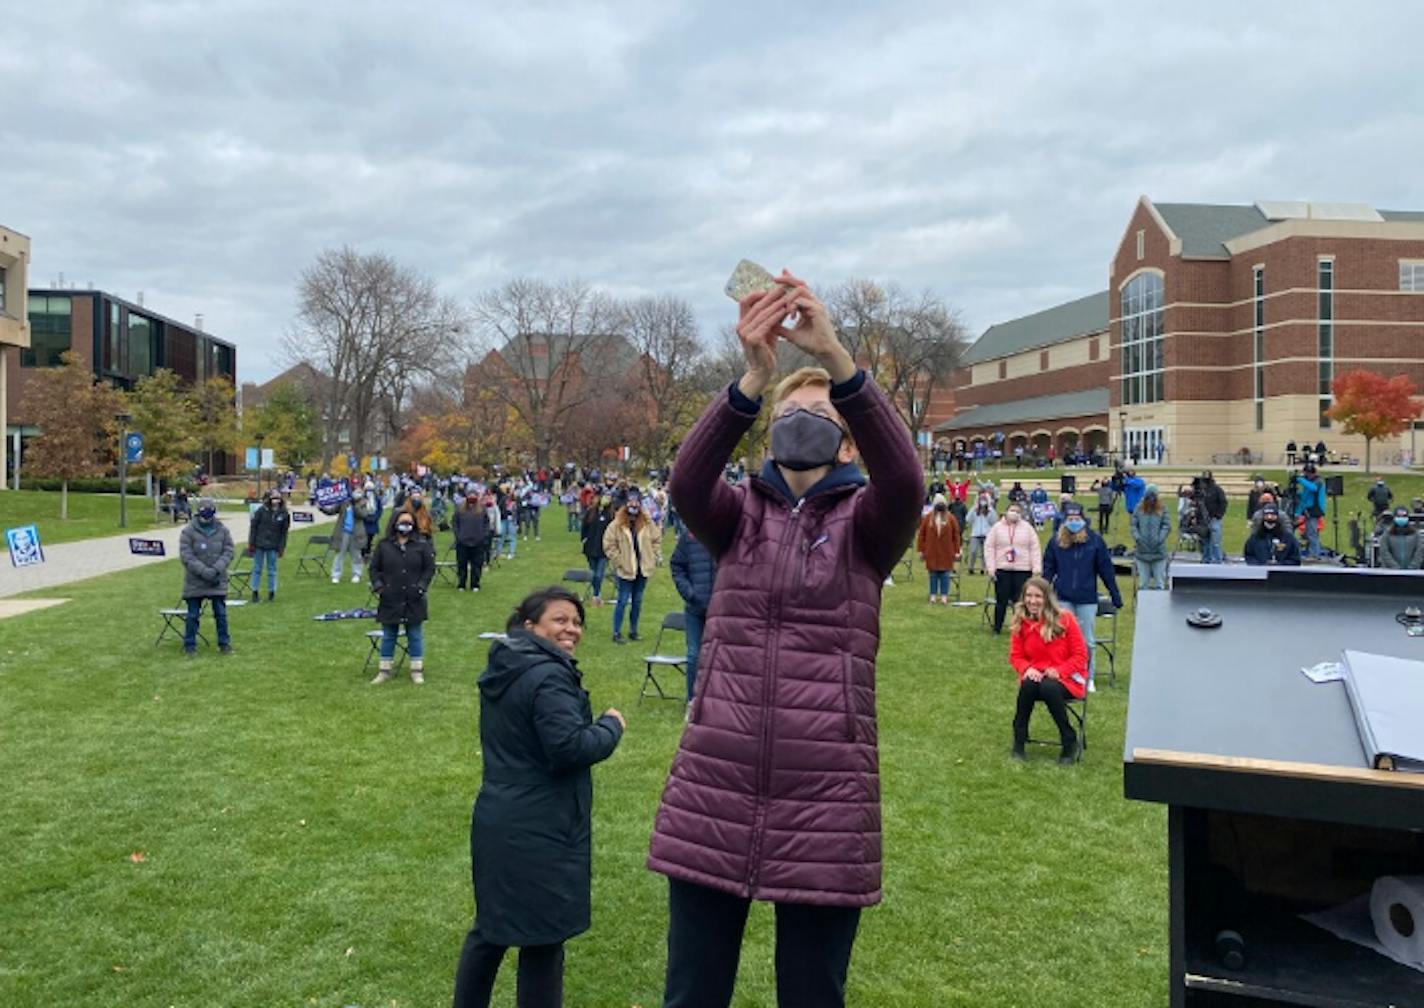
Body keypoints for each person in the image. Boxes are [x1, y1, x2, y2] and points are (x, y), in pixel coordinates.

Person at [650, 271, 921, 1008]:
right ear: (768, 431)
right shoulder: (736, 518)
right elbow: (684, 482)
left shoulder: (869, 527)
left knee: (812, 996)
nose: (805, 419)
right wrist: (753, 375)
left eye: (821, 411)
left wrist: (835, 357)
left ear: (845, 441)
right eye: (790, 411)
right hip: (717, 785)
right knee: (692, 995)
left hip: (826, 798)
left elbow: (907, 479)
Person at [451, 587, 625, 1008]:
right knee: (543, 939)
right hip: (540, 823)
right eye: (561, 619)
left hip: (502, 815)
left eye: (578, 622)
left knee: (491, 929)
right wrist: (611, 726)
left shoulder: (510, 663)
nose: (572, 629)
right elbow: (568, 747)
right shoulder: (546, 675)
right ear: (530, 626)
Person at [1042, 501, 1121, 692]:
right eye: (1070, 519)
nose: (1074, 522)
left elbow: (1105, 569)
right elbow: (1048, 569)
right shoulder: (1055, 542)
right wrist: (1043, 594)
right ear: (1064, 521)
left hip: (1087, 598)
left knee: (1087, 640)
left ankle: (1088, 676)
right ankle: (1065, 673)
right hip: (1063, 597)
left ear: (1084, 520)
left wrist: (1114, 593)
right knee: (1063, 638)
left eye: (1077, 519)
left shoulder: (1095, 541)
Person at [1008, 576, 1088, 764]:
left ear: (1047, 598)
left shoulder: (1065, 619)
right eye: (1028, 596)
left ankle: (1069, 741)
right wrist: (1026, 669)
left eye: (1038, 596)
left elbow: (1081, 656)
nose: (1032, 601)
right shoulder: (1021, 621)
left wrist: (1060, 671)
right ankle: (1019, 740)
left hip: (1068, 678)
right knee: (1028, 684)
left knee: (1048, 687)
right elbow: (1015, 656)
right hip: (1037, 676)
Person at [368, 511, 435, 684]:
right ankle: (384, 670)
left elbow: (429, 569)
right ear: (394, 523)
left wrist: (421, 587)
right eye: (402, 522)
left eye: (408, 522)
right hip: (390, 596)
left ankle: (416, 670)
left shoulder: (422, 545)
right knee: (389, 634)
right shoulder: (383, 545)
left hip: (414, 597)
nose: (405, 525)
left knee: (415, 634)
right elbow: (374, 569)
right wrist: (379, 587)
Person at [602, 492, 661, 644]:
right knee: (622, 601)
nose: (633, 505)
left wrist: (653, 556)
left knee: (638, 601)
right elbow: (608, 544)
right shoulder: (616, 524)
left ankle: (633, 631)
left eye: (636, 503)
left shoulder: (647, 523)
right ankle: (616, 632)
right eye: (631, 502)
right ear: (626, 504)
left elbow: (656, 539)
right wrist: (619, 560)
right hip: (626, 569)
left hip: (642, 569)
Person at [178, 497, 234, 656]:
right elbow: (186, 556)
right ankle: (190, 645)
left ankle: (224, 644)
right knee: (193, 615)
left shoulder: (223, 530)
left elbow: (229, 551)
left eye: (210, 512)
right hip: (195, 581)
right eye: (203, 511)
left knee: (221, 614)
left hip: (217, 580)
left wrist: (216, 569)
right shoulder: (187, 531)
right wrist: (203, 571)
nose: (206, 515)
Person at [670, 529, 717, 701]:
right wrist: (690, 593)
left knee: (719, 657)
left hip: (720, 610)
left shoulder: (726, 532)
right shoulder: (689, 536)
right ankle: (693, 700)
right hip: (695, 609)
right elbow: (677, 565)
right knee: (694, 656)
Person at [985, 502, 1042, 634]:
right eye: (1012, 510)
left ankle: (1022, 628)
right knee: (1001, 601)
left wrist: (1036, 568)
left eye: (1017, 511)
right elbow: (989, 548)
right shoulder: (997, 528)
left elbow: (1035, 548)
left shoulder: (1028, 528)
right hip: (1002, 569)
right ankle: (997, 627)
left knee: (1021, 602)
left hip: (1023, 570)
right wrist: (991, 568)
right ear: (1006, 511)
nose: (1014, 513)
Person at [916, 492, 962, 604]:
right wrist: (921, 550)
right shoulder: (928, 518)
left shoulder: (951, 518)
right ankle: (932, 595)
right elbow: (922, 535)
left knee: (945, 574)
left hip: (947, 551)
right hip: (931, 551)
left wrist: (957, 551)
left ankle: (944, 596)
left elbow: (956, 536)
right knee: (933, 574)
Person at [246, 489, 289, 602]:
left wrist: (282, 547)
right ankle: (254, 591)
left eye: (278, 499)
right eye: (274, 498)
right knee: (257, 568)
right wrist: (251, 543)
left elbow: (284, 532)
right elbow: (253, 527)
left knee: (272, 569)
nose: (276, 501)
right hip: (259, 544)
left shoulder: (284, 513)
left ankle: (271, 592)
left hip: (274, 545)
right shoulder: (261, 511)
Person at [1130, 485, 1172, 589]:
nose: (1151, 501)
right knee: (1143, 584)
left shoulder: (1163, 509)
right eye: (1148, 498)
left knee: (1159, 583)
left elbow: (1166, 525)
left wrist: (1160, 538)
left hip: (1158, 552)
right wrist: (1137, 538)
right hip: (1142, 552)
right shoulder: (1138, 508)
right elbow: (1133, 525)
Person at [452, 493, 491, 592]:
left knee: (477, 565)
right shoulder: (459, 510)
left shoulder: (482, 510)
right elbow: (454, 523)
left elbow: (487, 524)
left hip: (478, 542)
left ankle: (475, 584)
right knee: (462, 565)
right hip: (462, 542)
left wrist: (483, 536)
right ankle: (461, 584)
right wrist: (458, 535)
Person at [580, 495, 614, 606]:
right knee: (593, 573)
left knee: (599, 574)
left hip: (603, 549)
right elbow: (584, 527)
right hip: (590, 548)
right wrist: (583, 539)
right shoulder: (591, 513)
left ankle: (596, 594)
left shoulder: (610, 515)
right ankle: (596, 594)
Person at [330, 495, 369, 584]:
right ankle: (336, 575)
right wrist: (321, 507)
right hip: (343, 532)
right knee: (339, 554)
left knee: (356, 555)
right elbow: (332, 511)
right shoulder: (343, 502)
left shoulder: (362, 503)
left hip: (356, 533)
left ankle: (357, 574)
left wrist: (355, 505)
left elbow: (363, 514)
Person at [1296, 465, 1327, 558]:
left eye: (1307, 474)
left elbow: (1313, 488)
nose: (1306, 475)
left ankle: (1314, 554)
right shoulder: (1309, 482)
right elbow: (1305, 497)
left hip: (1315, 510)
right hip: (1308, 510)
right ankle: (1312, 551)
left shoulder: (1318, 481)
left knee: (1312, 533)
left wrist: (1301, 480)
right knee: (1309, 533)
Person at [1200, 472, 1229, 564]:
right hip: (1203, 520)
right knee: (1205, 542)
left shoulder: (1217, 489)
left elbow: (1223, 502)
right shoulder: (1201, 490)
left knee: (1215, 542)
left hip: (1214, 519)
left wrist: (1218, 515)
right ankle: (1206, 559)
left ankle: (1217, 560)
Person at [965, 494, 995, 574]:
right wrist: (973, 509)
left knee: (985, 553)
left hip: (986, 534)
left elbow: (993, 521)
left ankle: (984, 568)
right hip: (975, 534)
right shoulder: (974, 510)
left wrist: (989, 510)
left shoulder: (990, 510)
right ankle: (971, 567)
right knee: (973, 551)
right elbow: (968, 519)